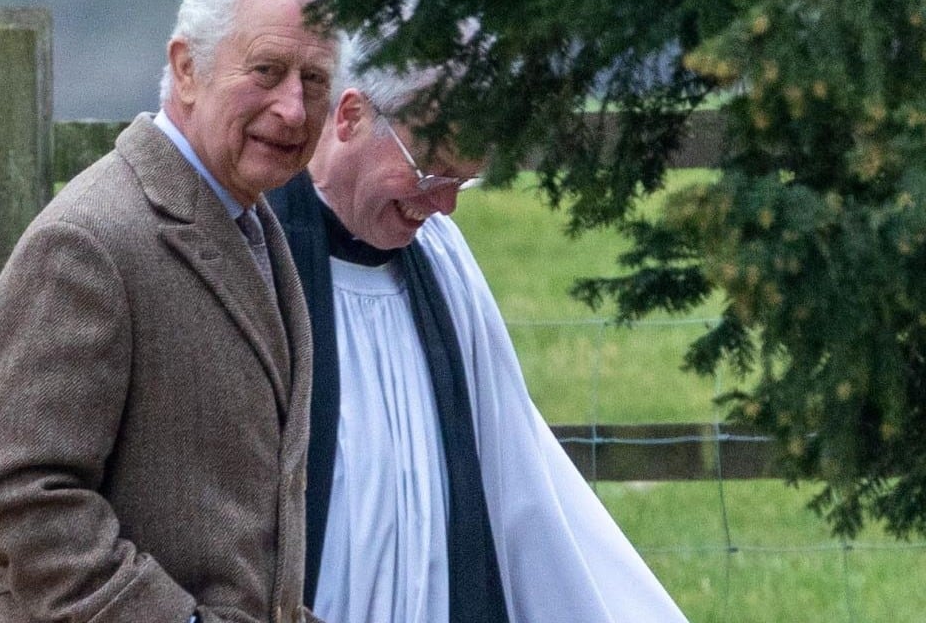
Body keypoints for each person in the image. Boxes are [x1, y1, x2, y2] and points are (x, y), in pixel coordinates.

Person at [0, 0, 340, 623]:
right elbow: (20, 501)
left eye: (314, 80)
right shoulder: (85, 242)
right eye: (267, 71)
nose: (293, 108)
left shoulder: (255, 226)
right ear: (186, 68)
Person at [264, 40, 691, 622]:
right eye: (431, 172)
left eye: (462, 183)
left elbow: (520, 473)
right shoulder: (258, 254)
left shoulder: (441, 260)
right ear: (350, 116)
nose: (444, 206)